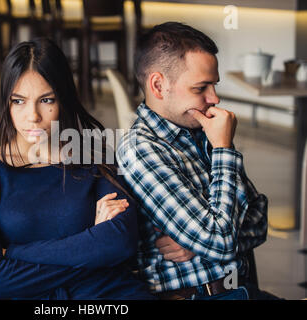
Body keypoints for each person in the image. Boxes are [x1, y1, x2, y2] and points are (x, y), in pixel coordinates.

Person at [0, 38, 154, 300]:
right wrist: (91, 244)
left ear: (63, 99)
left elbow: (120, 242)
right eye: (19, 101)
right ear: (6, 102)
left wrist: (15, 253)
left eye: (46, 100)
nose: (33, 116)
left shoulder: (94, 155)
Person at [116, 22, 271, 300]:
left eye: (214, 85)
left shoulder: (202, 130)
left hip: (242, 289)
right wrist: (223, 148)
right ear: (159, 85)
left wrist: (198, 245)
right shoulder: (141, 150)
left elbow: (260, 222)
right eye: (201, 87)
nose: (215, 98)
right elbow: (220, 242)